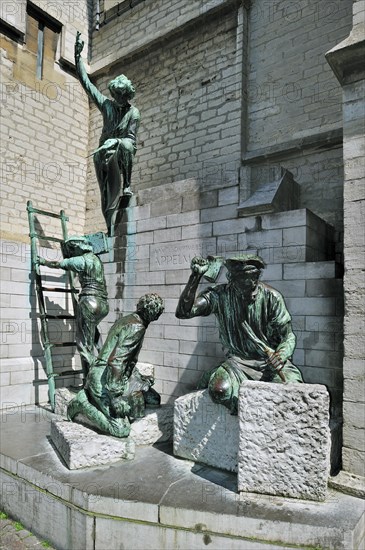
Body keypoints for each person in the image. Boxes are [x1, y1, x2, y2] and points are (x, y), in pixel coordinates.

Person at [176, 255, 303, 414]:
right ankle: (248, 416)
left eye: (250, 283)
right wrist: (195, 277)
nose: (245, 290)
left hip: (269, 363)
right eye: (239, 284)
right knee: (220, 391)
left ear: (256, 278)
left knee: (292, 393)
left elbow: (288, 337)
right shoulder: (220, 295)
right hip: (238, 363)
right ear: (231, 280)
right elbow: (184, 312)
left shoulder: (272, 298)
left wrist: (281, 355)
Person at [67, 294, 164, 438]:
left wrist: (138, 379)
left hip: (114, 373)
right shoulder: (137, 327)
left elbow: (125, 359)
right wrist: (115, 397)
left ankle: (110, 396)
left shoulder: (129, 319)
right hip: (103, 378)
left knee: (154, 399)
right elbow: (117, 361)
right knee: (120, 429)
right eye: (158, 312)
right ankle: (82, 403)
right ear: (154, 314)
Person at [75, 31, 140, 233]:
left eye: (122, 95)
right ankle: (108, 224)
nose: (119, 98)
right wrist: (78, 57)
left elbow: (131, 139)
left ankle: (126, 185)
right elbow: (87, 84)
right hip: (103, 152)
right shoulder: (106, 106)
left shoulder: (133, 113)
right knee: (105, 191)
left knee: (126, 146)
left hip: (122, 150)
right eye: (116, 95)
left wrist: (117, 142)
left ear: (127, 95)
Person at [38, 236, 109, 378]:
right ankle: (104, 361)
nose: (72, 251)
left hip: (89, 301)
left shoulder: (81, 260)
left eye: (73, 248)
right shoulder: (96, 260)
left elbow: (59, 264)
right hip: (103, 304)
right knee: (95, 336)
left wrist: (43, 261)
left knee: (83, 345)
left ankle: (93, 380)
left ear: (79, 246)